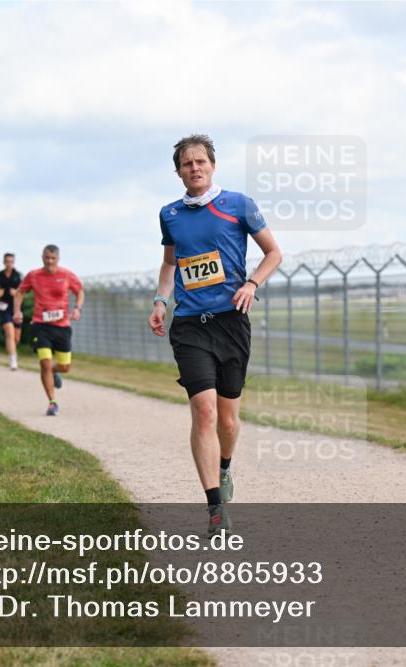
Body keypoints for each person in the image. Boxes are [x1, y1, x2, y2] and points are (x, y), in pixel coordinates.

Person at [149, 134, 282, 536]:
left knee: (228, 419)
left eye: (200, 162)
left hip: (231, 321)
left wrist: (253, 284)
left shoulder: (239, 205)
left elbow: (273, 252)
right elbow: (171, 264)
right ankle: (214, 508)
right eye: (187, 164)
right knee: (203, 410)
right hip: (189, 324)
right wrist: (160, 301)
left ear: (212, 165)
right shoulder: (169, 214)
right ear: (178, 171)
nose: (194, 169)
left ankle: (225, 467)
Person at [14, 245, 84, 415]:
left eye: (53, 258)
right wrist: (17, 310)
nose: (50, 261)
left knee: (65, 366)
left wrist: (77, 308)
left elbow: (79, 291)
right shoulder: (34, 275)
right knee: (44, 363)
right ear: (42, 257)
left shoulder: (66, 274)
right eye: (47, 258)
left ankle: (54, 372)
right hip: (41, 325)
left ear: (58, 258)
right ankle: (52, 402)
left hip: (62, 326)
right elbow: (19, 292)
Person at [0, 252, 23, 370]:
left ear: (13, 262)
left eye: (11, 261)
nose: (9, 264)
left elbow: (24, 291)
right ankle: (13, 360)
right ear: (4, 262)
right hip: (4, 307)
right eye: (7, 261)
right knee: (9, 333)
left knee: (16, 338)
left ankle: (12, 352)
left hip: (16, 308)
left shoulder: (18, 275)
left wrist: (16, 292)